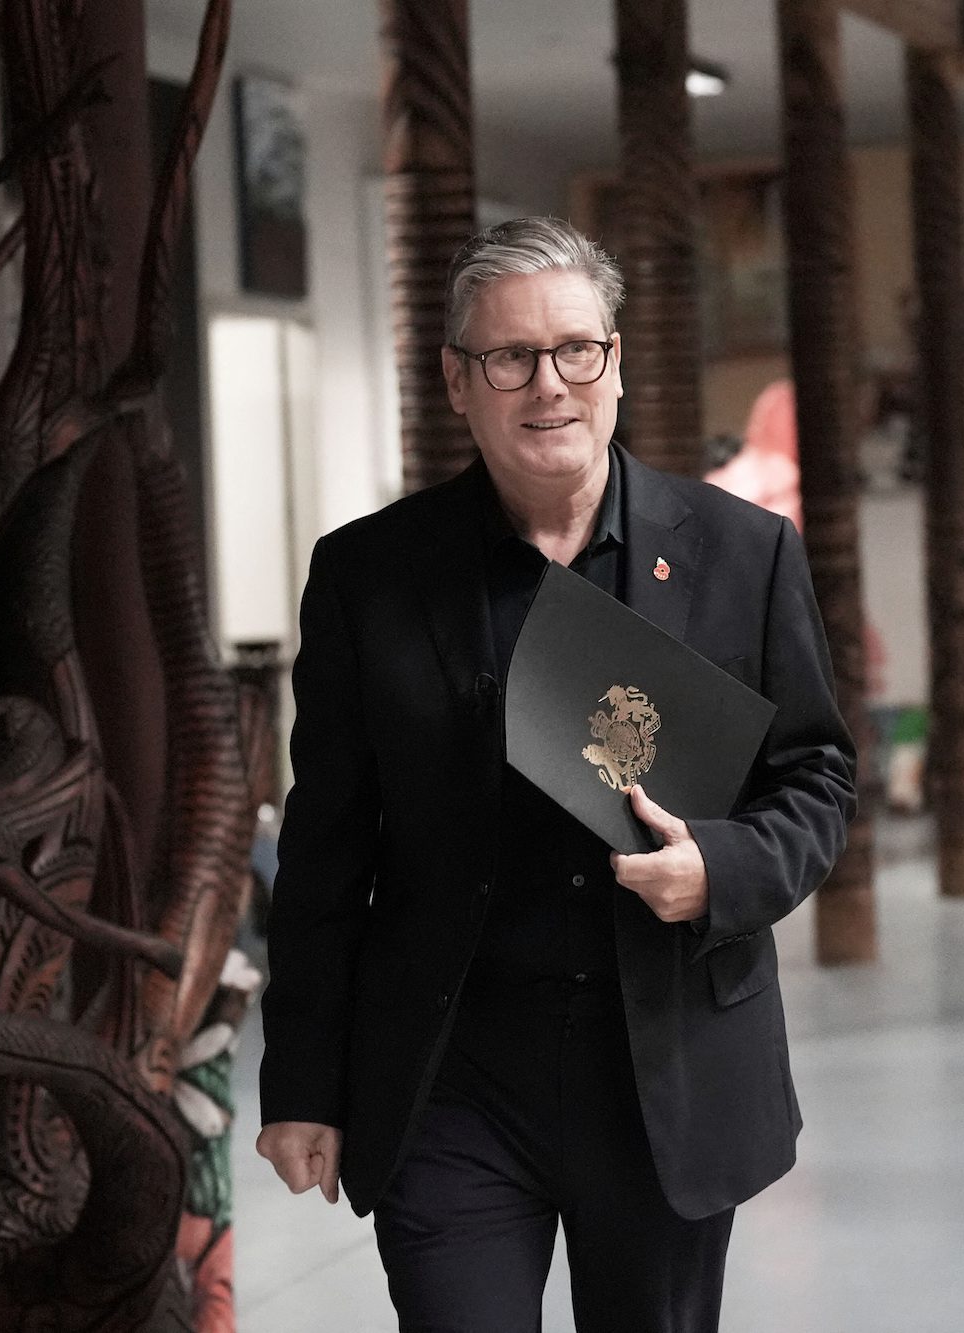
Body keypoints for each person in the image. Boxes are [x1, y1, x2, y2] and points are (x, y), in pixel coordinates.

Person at [254, 216, 856, 1331]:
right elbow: (326, 846)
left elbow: (816, 778)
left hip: (664, 1069)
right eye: (509, 358)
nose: (549, 385)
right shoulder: (368, 577)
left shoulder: (739, 554)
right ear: (455, 380)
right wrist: (300, 1080)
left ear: (616, 362)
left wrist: (716, 870)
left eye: (577, 349)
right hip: (452, 1077)